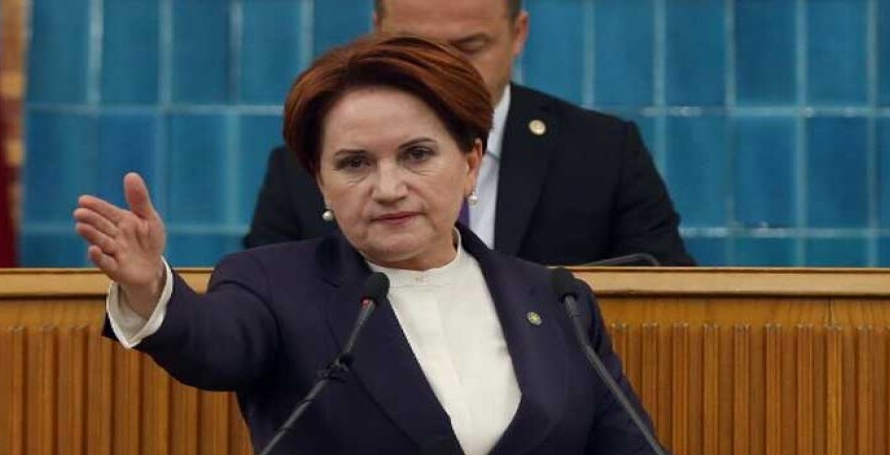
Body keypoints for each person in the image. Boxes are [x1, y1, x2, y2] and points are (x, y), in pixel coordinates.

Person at [74, 35, 743, 455]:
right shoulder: (275, 283)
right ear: (320, 182)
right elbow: (213, 345)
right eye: (354, 163)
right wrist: (152, 290)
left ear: (470, 163)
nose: (388, 187)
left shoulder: (554, 300)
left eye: (417, 155)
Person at [243, 0, 695, 267]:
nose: (441, 69)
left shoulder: (602, 152)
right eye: (416, 47)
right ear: (378, 33)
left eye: (469, 47)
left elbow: (669, 298)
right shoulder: (308, 162)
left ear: (518, 33)